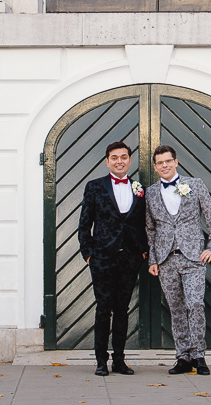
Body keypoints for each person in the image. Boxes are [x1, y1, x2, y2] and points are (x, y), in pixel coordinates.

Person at [144, 143, 211, 376]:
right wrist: (152, 259)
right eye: (160, 163)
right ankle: (183, 356)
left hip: (193, 258)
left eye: (168, 161)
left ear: (176, 162)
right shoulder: (150, 193)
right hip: (165, 259)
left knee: (195, 304)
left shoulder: (195, 185)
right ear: (156, 167)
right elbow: (150, 228)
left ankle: (199, 355)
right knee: (176, 308)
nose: (165, 165)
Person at [77, 141, 148, 376]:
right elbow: (84, 224)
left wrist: (142, 250)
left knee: (122, 309)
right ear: (107, 161)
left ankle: (119, 359)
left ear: (130, 160)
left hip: (130, 258)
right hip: (102, 258)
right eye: (115, 157)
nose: (120, 161)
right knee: (103, 309)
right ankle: (100, 361)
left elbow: (143, 224)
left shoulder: (139, 187)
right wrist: (88, 254)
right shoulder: (95, 187)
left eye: (124, 157)